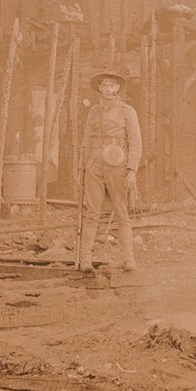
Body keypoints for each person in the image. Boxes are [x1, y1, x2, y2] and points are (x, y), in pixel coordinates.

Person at [78, 68, 142, 272]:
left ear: (117, 88)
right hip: (95, 164)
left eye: (112, 84)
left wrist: (132, 170)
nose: (108, 87)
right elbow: (86, 141)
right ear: (99, 87)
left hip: (117, 163)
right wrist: (83, 167)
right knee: (91, 213)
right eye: (104, 84)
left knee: (122, 212)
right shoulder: (93, 112)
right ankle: (85, 260)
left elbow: (136, 143)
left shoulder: (127, 111)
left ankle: (129, 259)